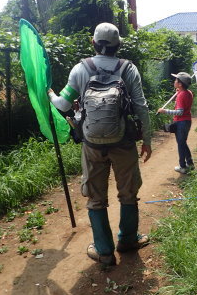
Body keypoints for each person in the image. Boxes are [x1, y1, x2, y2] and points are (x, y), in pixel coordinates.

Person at [47, 22, 152, 266]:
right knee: (128, 193)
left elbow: (63, 105)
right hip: (123, 142)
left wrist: (49, 93)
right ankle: (127, 241)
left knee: (95, 197)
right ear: (118, 46)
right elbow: (141, 107)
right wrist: (147, 140)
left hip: (92, 143)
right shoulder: (128, 68)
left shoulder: (80, 69)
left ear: (93, 43)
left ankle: (104, 251)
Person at [157, 72, 195, 174]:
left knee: (181, 145)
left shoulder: (181, 95)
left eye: (176, 80)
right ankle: (190, 163)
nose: (174, 82)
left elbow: (180, 111)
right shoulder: (188, 93)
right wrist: (178, 92)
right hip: (186, 121)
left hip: (181, 122)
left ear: (180, 84)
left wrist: (165, 111)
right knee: (183, 143)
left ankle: (182, 166)